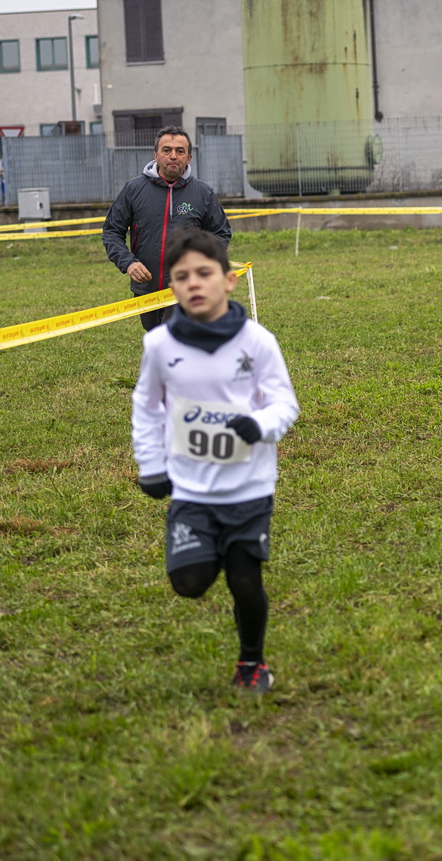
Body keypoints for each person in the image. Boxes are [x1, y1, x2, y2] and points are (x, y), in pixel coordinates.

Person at [130, 228, 300, 694]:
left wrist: (260, 425)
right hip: (190, 488)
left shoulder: (257, 341)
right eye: (182, 276)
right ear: (172, 286)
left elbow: (284, 403)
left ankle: (252, 663)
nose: (194, 283)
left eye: (204, 273)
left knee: (245, 579)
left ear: (228, 280)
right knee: (189, 582)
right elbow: (146, 408)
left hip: (248, 486)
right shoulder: (160, 345)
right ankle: (211, 547)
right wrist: (151, 465)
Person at [103, 126, 233, 331]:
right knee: (155, 334)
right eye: (167, 150)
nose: (173, 156)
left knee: (174, 334)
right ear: (155, 155)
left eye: (180, 151)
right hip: (146, 286)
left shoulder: (203, 193)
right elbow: (112, 231)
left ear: (189, 158)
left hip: (187, 286)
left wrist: (200, 261)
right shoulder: (133, 189)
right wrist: (128, 263)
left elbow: (221, 233)